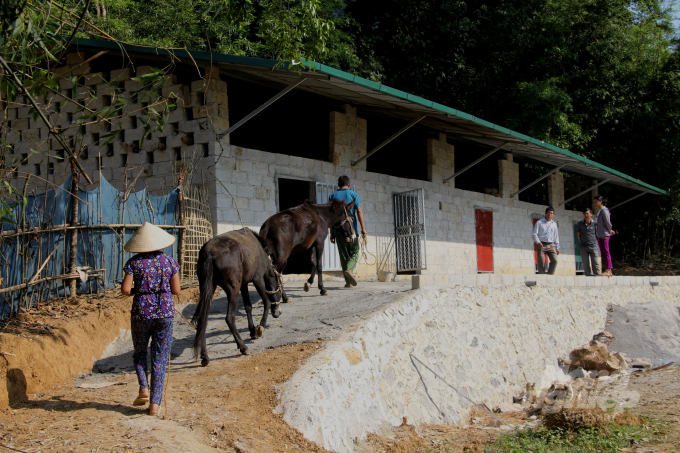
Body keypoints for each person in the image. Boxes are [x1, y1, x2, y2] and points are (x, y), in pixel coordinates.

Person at [121, 222, 181, 416]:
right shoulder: (170, 262)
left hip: (141, 312)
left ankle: (143, 387)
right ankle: (155, 406)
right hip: (165, 313)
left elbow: (125, 290)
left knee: (140, 352)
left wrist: (140, 292)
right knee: (160, 358)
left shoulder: (134, 263)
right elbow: (176, 290)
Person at [328, 175, 367, 287]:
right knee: (354, 252)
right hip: (351, 231)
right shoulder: (353, 195)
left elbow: (331, 216)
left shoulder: (332, 196)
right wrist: (363, 228)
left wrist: (331, 233)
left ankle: (348, 283)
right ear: (349, 184)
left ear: (338, 185)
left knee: (344, 255)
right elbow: (359, 211)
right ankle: (350, 270)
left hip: (338, 231)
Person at [532, 207, 560, 275]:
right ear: (545, 213)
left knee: (555, 261)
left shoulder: (554, 224)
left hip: (551, 245)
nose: (549, 215)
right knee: (542, 262)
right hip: (542, 245)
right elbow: (534, 234)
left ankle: (550, 275)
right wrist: (538, 242)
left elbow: (556, 236)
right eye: (548, 213)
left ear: (553, 215)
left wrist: (557, 247)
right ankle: (542, 276)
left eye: (551, 213)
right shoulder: (539, 222)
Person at [593, 195, 615, 276]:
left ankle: (608, 270)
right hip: (600, 235)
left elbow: (608, 222)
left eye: (596, 202)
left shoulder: (604, 210)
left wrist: (609, 231)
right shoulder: (599, 211)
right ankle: (608, 270)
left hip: (604, 235)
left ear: (601, 202)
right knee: (603, 252)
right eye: (594, 202)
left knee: (606, 252)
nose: (594, 204)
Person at [577, 208, 601, 276]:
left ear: (591, 214)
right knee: (585, 262)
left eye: (587, 213)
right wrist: (581, 242)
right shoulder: (580, 224)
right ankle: (589, 276)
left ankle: (597, 276)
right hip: (584, 246)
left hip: (593, 246)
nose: (586, 215)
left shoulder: (595, 224)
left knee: (595, 262)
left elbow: (597, 234)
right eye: (584, 214)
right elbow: (579, 234)